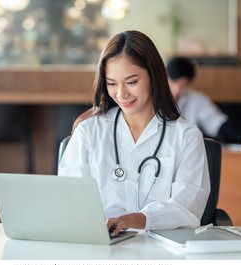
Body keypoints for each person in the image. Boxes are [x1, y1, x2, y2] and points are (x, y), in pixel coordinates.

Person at [58, 30, 210, 236]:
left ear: (154, 76)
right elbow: (68, 200)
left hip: (161, 252)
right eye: (111, 83)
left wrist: (133, 220)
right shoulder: (88, 131)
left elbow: (187, 207)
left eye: (131, 82)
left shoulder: (186, 136)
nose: (121, 94)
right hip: (101, 248)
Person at [167, 56, 241, 143]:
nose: (177, 89)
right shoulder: (153, 99)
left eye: (182, 85)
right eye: (173, 83)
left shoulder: (197, 99)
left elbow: (217, 123)